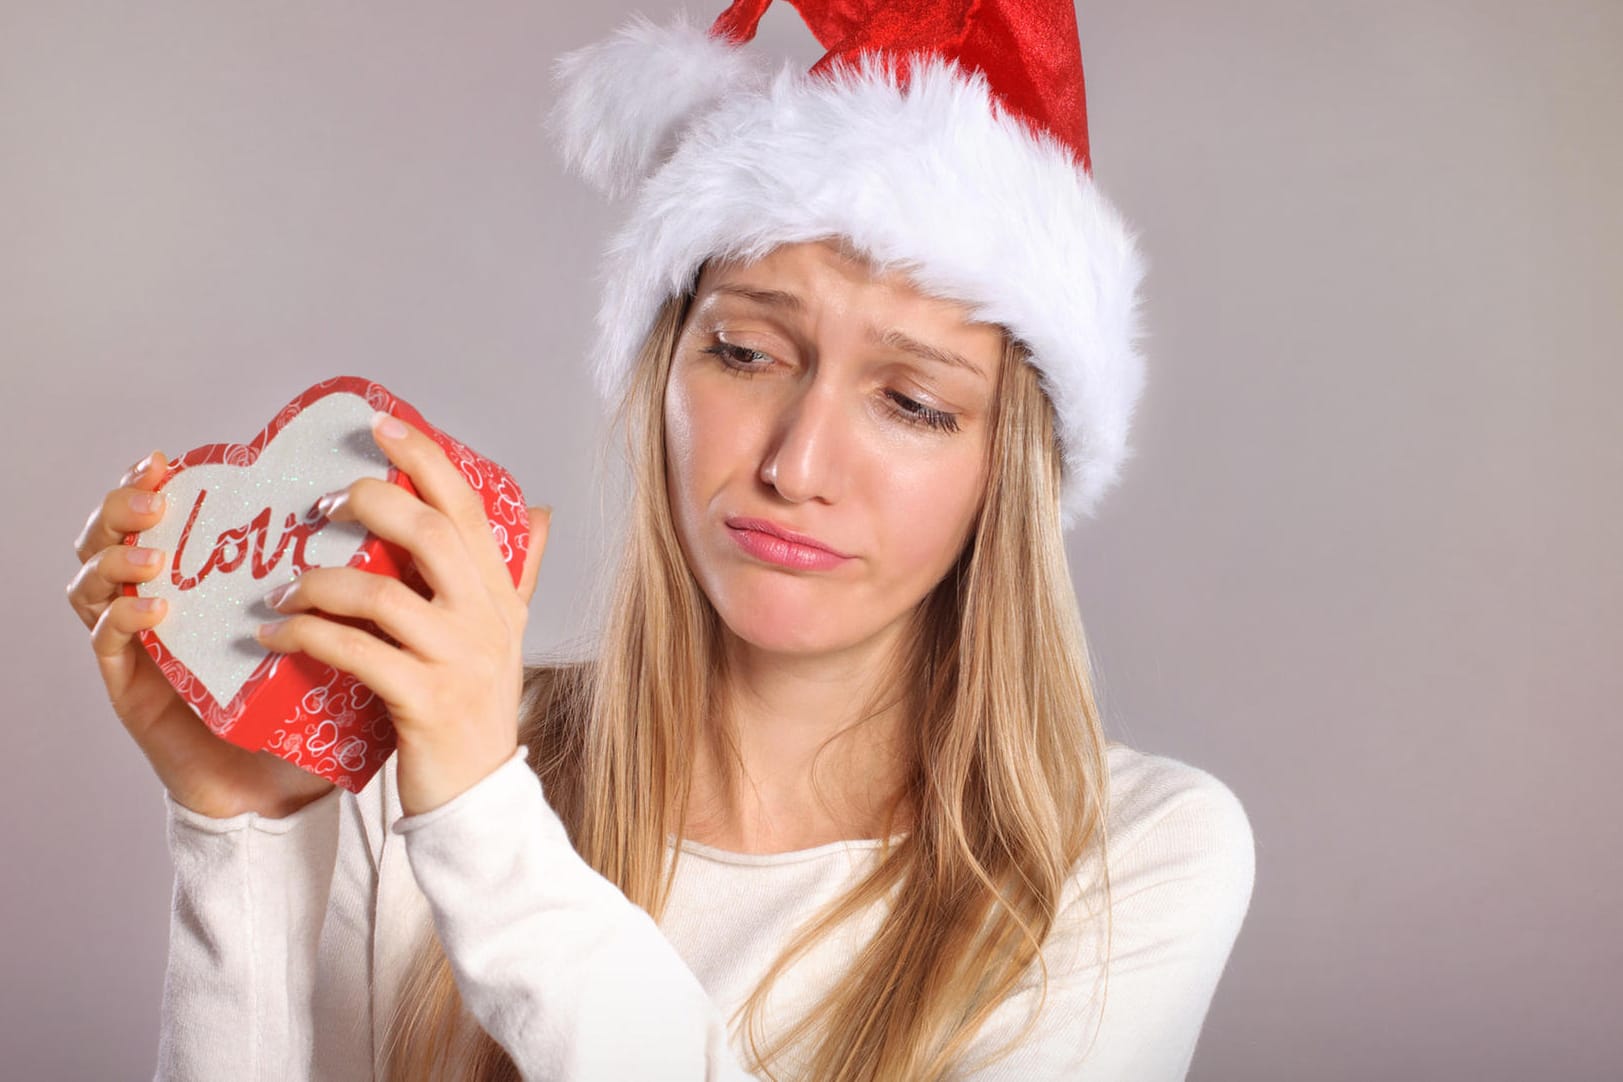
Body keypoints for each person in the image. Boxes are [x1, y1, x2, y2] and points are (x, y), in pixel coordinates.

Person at [66, 2, 1255, 1079]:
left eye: (913, 403)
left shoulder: (1133, 859)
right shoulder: (409, 755)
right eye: (745, 353)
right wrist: (243, 832)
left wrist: (482, 816)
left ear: (1009, 468)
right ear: (663, 375)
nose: (794, 465)